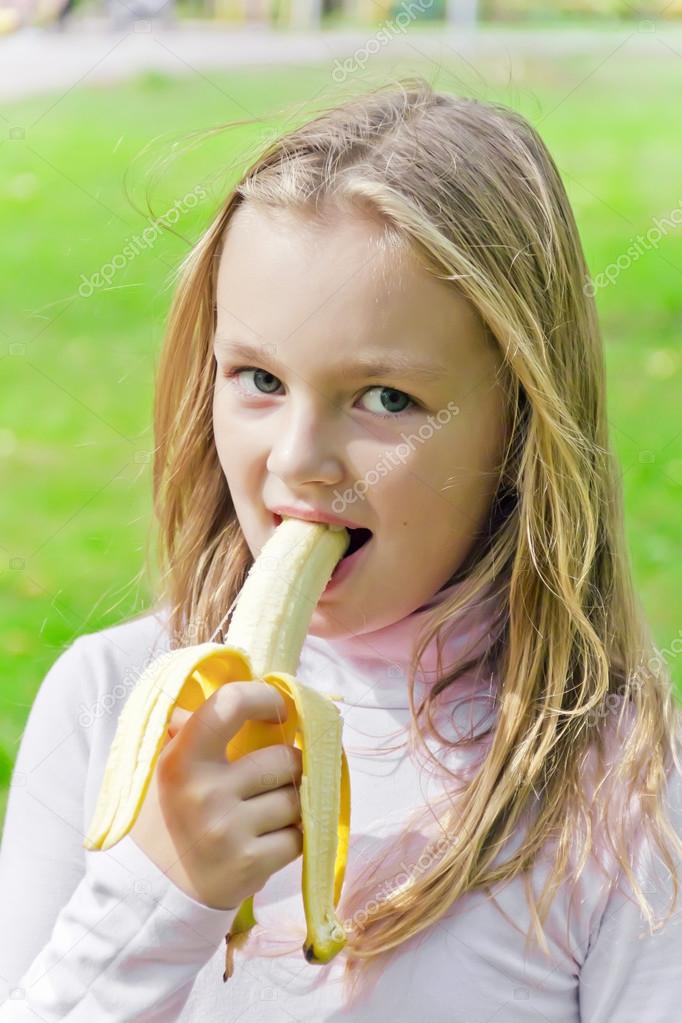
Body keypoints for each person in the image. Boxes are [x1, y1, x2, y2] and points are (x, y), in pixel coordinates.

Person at [1, 77, 681, 1021]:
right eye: (259, 379)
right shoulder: (102, 702)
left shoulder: (619, 781)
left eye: (385, 398)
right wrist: (161, 887)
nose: (297, 459)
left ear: (520, 426)